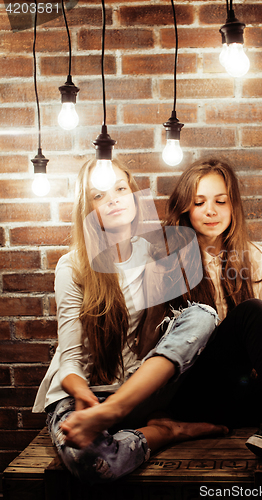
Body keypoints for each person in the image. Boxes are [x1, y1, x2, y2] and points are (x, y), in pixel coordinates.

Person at [58, 158, 262, 493]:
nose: (211, 211)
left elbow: (251, 274)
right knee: (252, 312)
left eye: (221, 201)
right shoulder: (165, 255)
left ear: (233, 206)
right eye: (199, 202)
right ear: (185, 209)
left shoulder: (252, 258)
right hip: (195, 394)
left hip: (245, 392)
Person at [32, 159, 228, 484]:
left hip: (131, 394)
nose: (113, 199)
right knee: (93, 464)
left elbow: (220, 256)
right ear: (88, 208)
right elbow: (69, 361)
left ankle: (120, 415)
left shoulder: (156, 255)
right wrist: (84, 396)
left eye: (121, 189)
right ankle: (164, 432)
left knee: (202, 315)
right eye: (99, 195)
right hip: (80, 394)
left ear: (134, 196)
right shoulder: (73, 266)